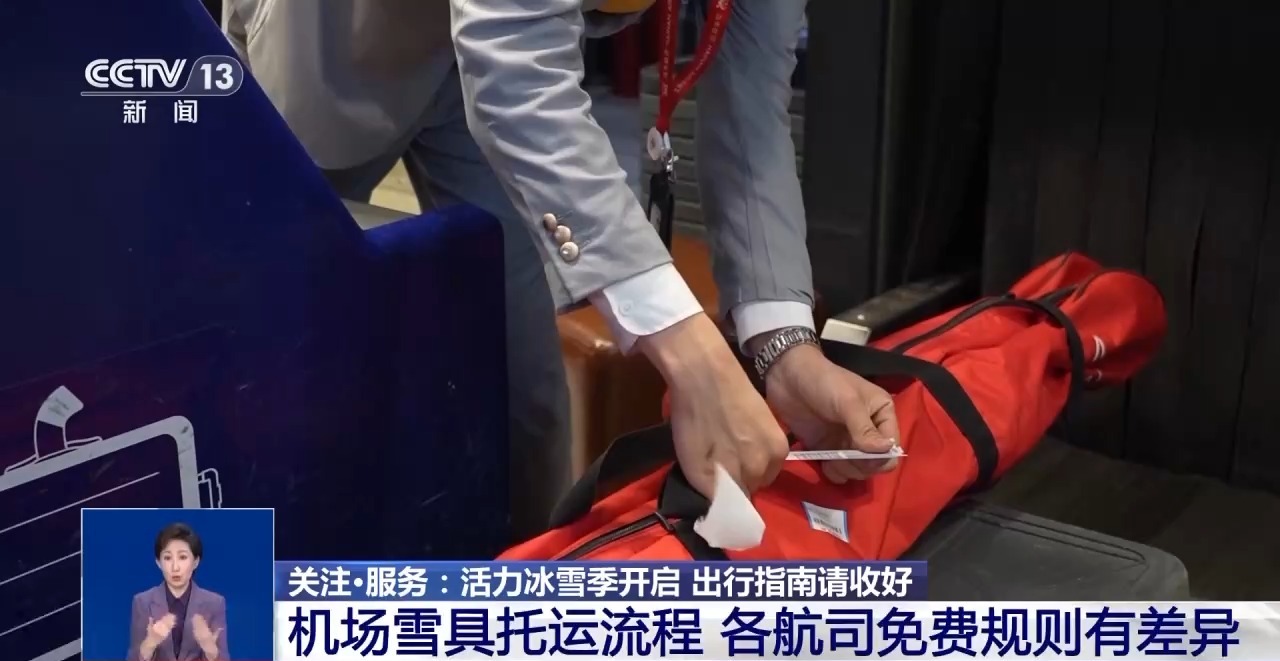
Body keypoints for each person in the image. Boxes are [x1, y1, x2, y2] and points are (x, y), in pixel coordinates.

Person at [221, 0, 900, 538]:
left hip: (504, 57)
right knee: (291, 374)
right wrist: (696, 360)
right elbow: (513, 62)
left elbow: (751, 94)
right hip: (343, 51)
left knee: (526, 392)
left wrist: (784, 347)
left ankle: (527, 597)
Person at [128, 523, 228, 661]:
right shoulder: (142, 602)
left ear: (195, 562)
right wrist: (150, 643)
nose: (175, 567)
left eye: (182, 557)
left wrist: (209, 648)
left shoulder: (214, 603)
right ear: (158, 562)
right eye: (167, 558)